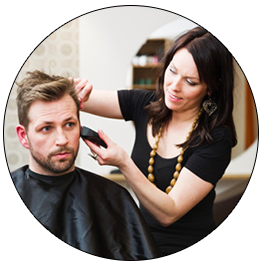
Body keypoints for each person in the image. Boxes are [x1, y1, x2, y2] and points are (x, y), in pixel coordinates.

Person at [73, 26, 237, 260]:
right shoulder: (144, 104)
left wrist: (123, 163)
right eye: (172, 71)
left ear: (211, 87)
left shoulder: (216, 138)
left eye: (190, 82)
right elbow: (79, 98)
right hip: (143, 248)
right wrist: (71, 90)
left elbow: (168, 213)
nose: (174, 86)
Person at [13, 70, 161, 260]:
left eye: (69, 125)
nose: (62, 140)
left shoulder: (113, 198)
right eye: (46, 128)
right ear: (23, 136)